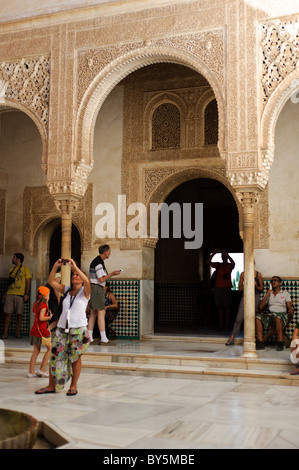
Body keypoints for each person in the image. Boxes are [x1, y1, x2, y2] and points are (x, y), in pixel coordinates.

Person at [35, 258, 91, 396]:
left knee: (75, 357)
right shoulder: (66, 290)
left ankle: (74, 385)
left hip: (78, 329)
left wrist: (75, 267)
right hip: (62, 328)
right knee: (55, 356)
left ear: (82, 278)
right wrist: (55, 266)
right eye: (73, 275)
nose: (74, 276)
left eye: (77, 275)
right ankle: (51, 385)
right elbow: (51, 281)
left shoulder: (85, 292)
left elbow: (88, 281)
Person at [88, 245, 121, 344]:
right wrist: (112, 273)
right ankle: (104, 339)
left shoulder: (98, 261)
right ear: (105, 252)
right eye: (109, 252)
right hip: (97, 288)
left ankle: (89, 337)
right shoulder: (98, 263)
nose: (110, 253)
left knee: (93, 313)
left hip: (95, 288)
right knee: (101, 313)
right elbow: (101, 279)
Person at [226, 269, 263, 345]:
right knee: (239, 318)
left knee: (254, 318)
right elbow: (239, 288)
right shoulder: (243, 274)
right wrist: (246, 284)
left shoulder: (258, 274)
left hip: (255, 297)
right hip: (245, 297)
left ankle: (254, 339)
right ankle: (232, 337)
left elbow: (261, 289)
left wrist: (255, 286)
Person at [255, 276, 294, 351]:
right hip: (270, 314)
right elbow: (260, 307)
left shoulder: (285, 293)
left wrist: (291, 309)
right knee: (258, 318)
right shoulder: (269, 293)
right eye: (272, 281)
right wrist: (267, 294)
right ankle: (260, 342)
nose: (273, 282)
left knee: (277, 318)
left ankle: (280, 343)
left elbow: (289, 304)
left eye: (276, 280)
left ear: (280, 283)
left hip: (281, 314)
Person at [1, 253, 31, 339]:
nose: (12, 259)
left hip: (20, 295)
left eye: (14, 257)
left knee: (19, 314)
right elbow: (8, 283)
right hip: (10, 293)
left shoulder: (26, 269)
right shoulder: (11, 269)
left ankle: (17, 333)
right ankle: (5, 333)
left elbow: (28, 282)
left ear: (18, 259)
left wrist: (26, 294)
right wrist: (5, 294)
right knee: (7, 313)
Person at [206, 248, 235, 331]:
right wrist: (214, 253)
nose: (224, 257)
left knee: (227, 308)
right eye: (223, 256)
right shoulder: (218, 265)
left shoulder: (229, 265)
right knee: (220, 308)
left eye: (224, 255)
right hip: (218, 288)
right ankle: (221, 325)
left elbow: (233, 263)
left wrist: (227, 254)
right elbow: (207, 262)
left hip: (226, 288)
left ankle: (227, 325)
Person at [27, 286, 52, 378]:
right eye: (48, 294)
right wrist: (49, 317)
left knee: (36, 351)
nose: (49, 296)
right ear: (45, 295)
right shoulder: (44, 305)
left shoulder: (36, 304)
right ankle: (42, 369)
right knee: (50, 349)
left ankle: (31, 371)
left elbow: (36, 316)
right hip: (42, 331)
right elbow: (41, 318)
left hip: (35, 330)